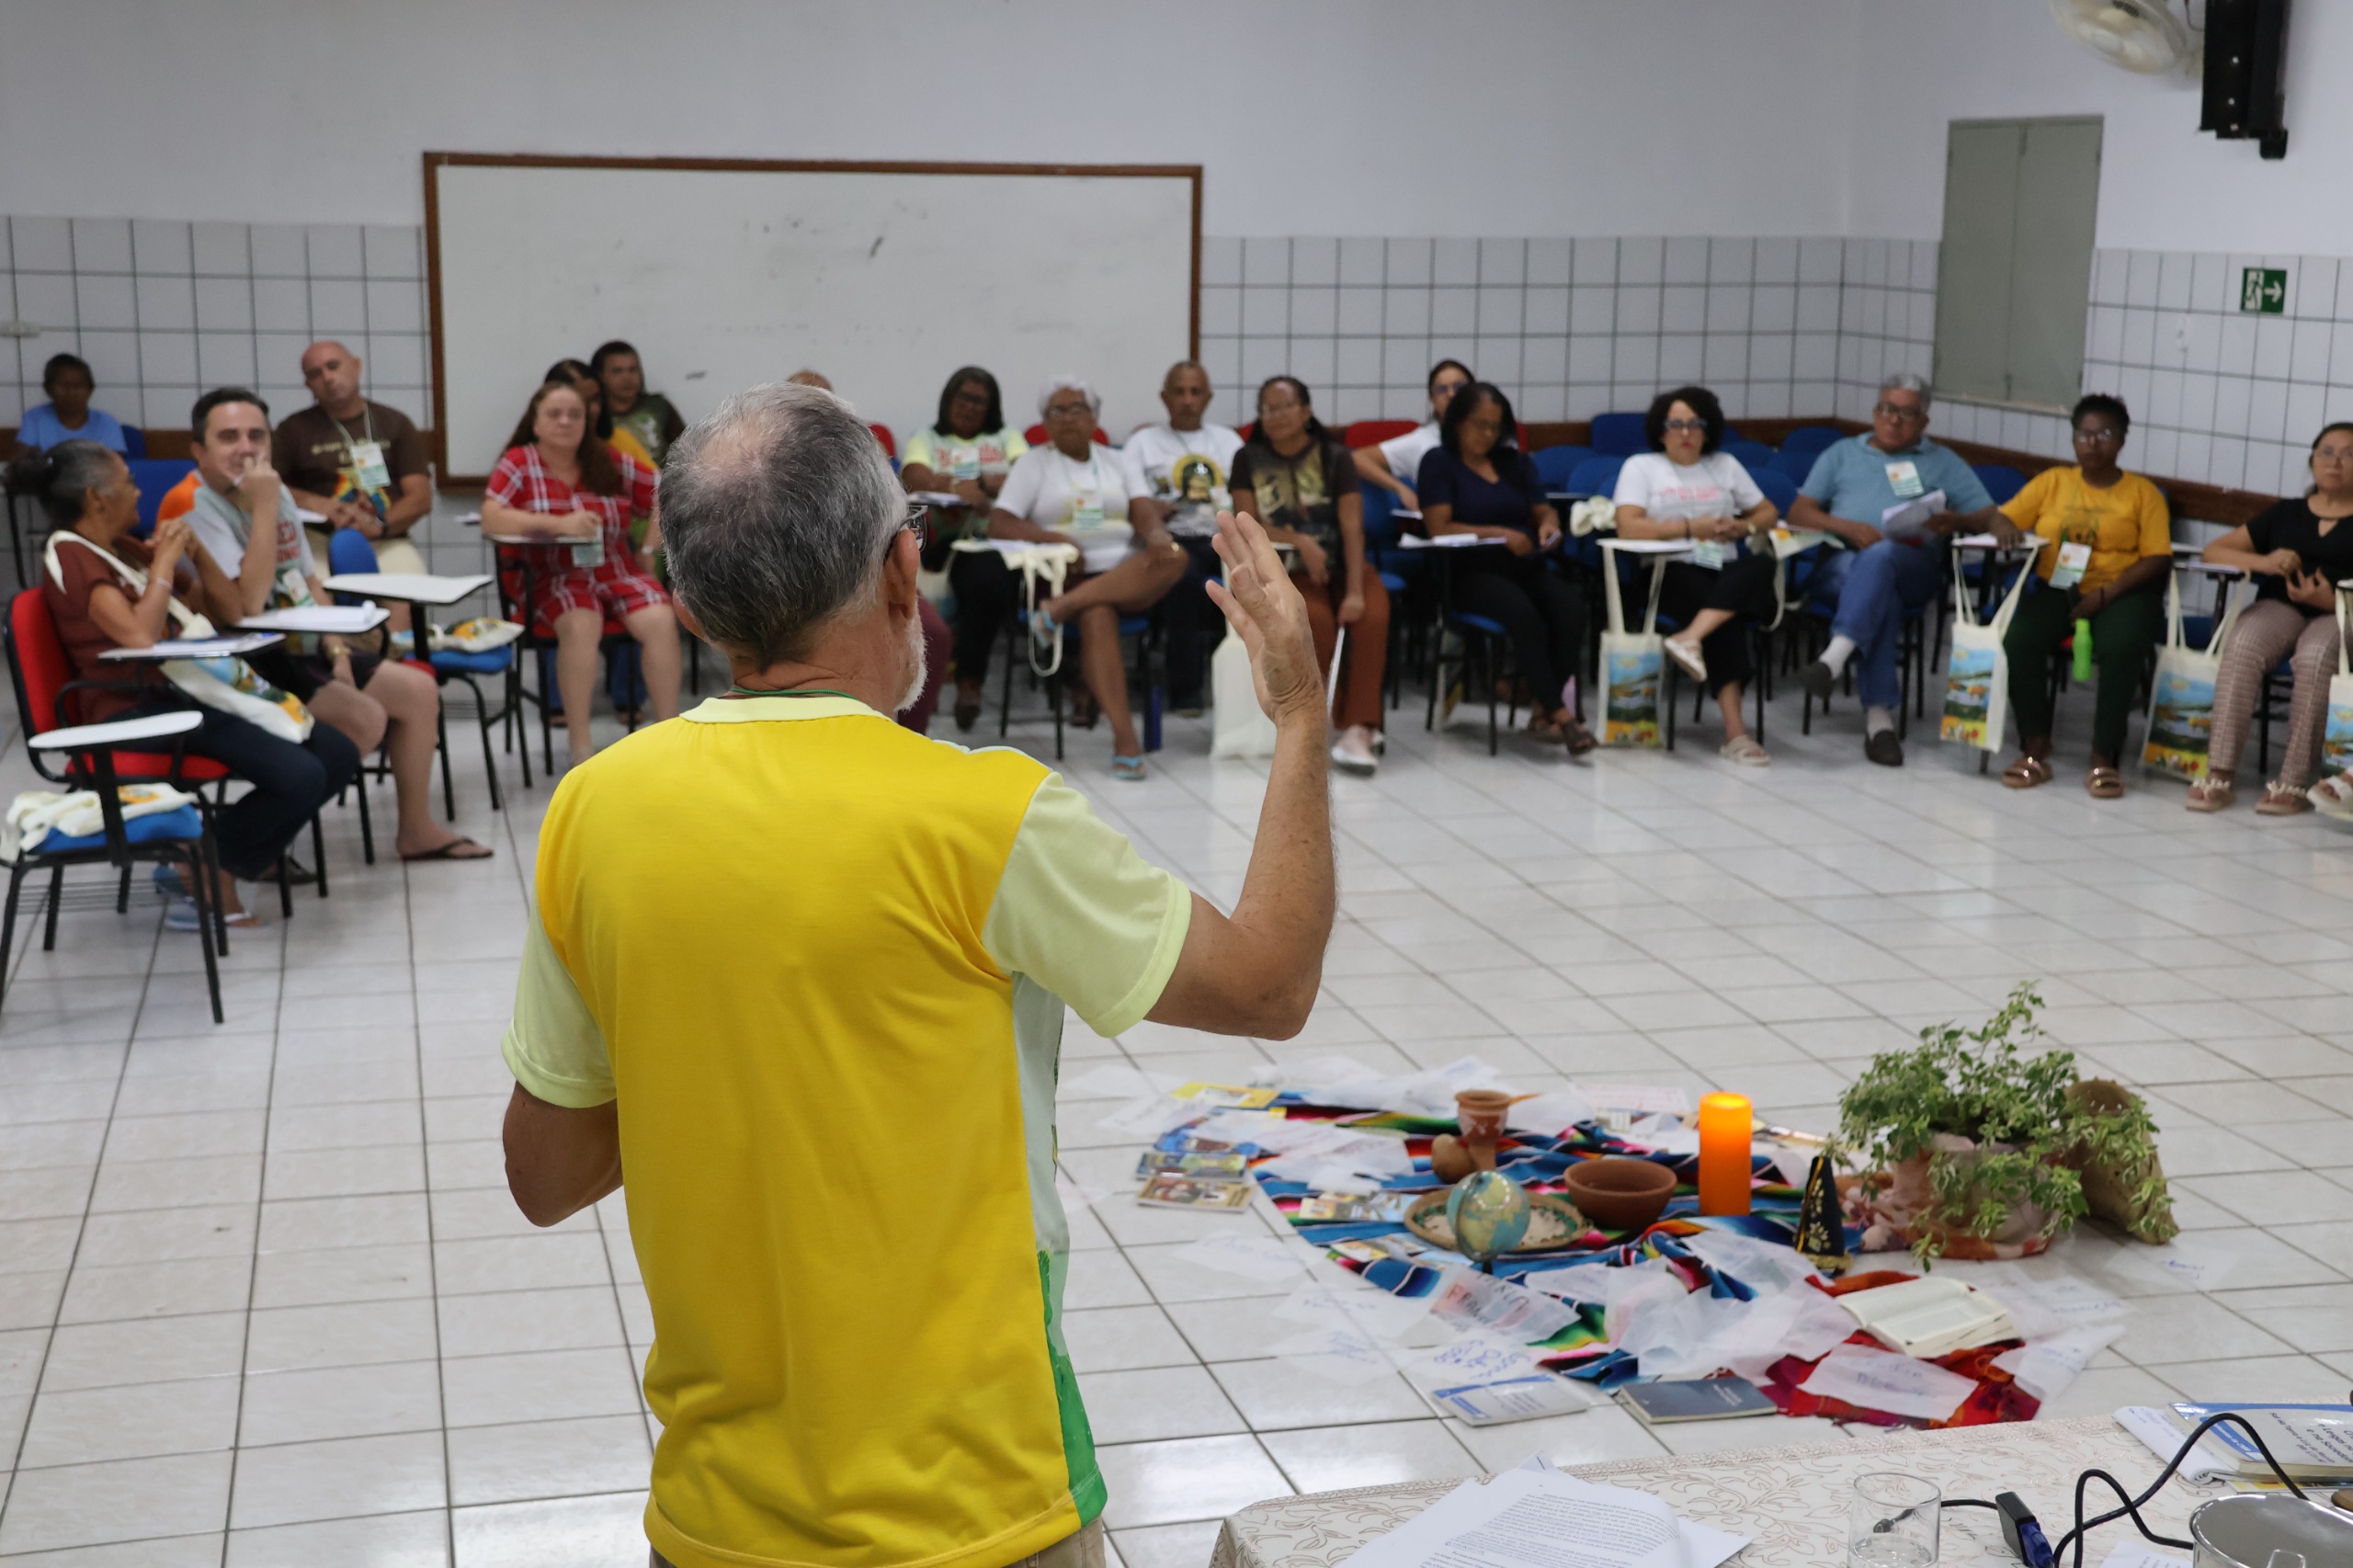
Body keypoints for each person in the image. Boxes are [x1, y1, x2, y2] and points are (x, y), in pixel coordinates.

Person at [496, 381, 1334, 1568]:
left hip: (714, 1517)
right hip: (978, 1507)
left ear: (688, 599)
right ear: (904, 570)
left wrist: (721, 1038)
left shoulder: (597, 810)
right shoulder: (981, 815)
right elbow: (1268, 987)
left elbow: (545, 1172)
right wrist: (1297, 709)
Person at [34, 440, 360, 929]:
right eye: (128, 482)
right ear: (96, 498)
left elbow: (218, 607)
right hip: (130, 707)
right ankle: (207, 872)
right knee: (299, 775)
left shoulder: (120, 547)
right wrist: (164, 565)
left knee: (336, 754)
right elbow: (139, 636)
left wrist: (196, 553)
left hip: (184, 689)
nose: (138, 491)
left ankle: (205, 861)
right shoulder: (72, 554)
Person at [184, 388, 487, 862]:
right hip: (248, 662)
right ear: (199, 451)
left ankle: (415, 829)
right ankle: (252, 845)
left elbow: (306, 579)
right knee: (362, 721)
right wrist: (264, 506)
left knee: (418, 691)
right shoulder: (194, 507)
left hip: (303, 647)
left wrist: (338, 649)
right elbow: (248, 603)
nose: (246, 448)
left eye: (256, 436)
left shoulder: (275, 493)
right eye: (228, 437)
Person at [1788, 374, 2000, 767]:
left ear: (1924, 422)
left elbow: (1988, 515)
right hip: (1840, 563)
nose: (1894, 420)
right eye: (1887, 409)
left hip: (1914, 565)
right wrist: (1846, 527)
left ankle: (1834, 657)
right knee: (1881, 593)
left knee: (1883, 557)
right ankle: (1878, 720)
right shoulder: (1842, 454)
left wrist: (1955, 520)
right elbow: (1799, 512)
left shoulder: (1943, 461)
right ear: (1874, 412)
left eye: (1906, 413)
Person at [990, 377, 1185, 779]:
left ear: (1095, 417)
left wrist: (1156, 537)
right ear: (1045, 421)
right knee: (1098, 614)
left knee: (1176, 556)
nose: (1067, 418)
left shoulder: (1118, 460)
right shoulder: (1033, 463)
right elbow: (1000, 522)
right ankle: (1125, 741)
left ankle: (1059, 611)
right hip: (1065, 572)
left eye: (1077, 409)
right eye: (1057, 411)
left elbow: (1143, 510)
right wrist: (1055, 538)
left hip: (1126, 572)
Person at [482, 378, 683, 767]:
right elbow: (492, 517)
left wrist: (647, 549)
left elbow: (665, 491)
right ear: (535, 422)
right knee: (581, 623)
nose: (565, 422)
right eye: (554, 414)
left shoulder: (605, 458)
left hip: (616, 568)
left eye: (575, 414)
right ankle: (581, 747)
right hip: (554, 574)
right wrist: (559, 525)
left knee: (660, 617)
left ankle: (669, 735)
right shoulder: (519, 462)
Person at [1991, 394, 2172, 797]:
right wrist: (2002, 525)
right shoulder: (2053, 481)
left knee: (2122, 647)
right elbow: (2003, 514)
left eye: (2103, 435)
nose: (2091, 443)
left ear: (2121, 440)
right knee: (2019, 639)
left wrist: (2107, 594)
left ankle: (2104, 754)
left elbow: (2157, 557)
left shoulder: (2143, 493)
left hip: (2123, 592)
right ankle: (2035, 745)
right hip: (2060, 586)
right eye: (2083, 435)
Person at [1610, 385, 1781, 766]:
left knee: (1761, 566)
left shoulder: (1725, 465)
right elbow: (1628, 526)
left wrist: (1743, 528)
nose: (1685, 433)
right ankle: (1736, 734)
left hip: (1722, 565)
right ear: (1661, 430)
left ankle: (1689, 637)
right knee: (1724, 613)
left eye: (1695, 424)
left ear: (1708, 430)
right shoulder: (1642, 467)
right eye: (1676, 425)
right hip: (1667, 569)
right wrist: (1690, 529)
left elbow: (1768, 512)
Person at [1421, 381, 1595, 753]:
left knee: (1571, 608)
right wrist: (1499, 534)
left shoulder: (1515, 463)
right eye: (1479, 424)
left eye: (1495, 427)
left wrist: (1549, 526)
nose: (1487, 434)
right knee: (1523, 613)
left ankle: (1542, 708)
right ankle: (1560, 715)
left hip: (1523, 565)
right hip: (1469, 572)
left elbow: (1543, 510)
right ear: (1458, 422)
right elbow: (1439, 526)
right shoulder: (1439, 462)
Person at [2192, 422, 2353, 814]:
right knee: (2243, 644)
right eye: (2326, 452)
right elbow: (2214, 551)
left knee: (2315, 655)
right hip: (2280, 606)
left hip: (2340, 614)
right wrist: (2265, 562)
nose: (2335, 462)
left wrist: (2331, 598)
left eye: (2349, 454)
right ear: (2312, 461)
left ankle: (2294, 781)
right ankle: (2220, 772)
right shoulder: (2286, 513)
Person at [1231, 376, 1386, 775]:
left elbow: (1352, 527)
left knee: (1372, 614)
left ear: (1306, 411)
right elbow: (1247, 522)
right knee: (1313, 620)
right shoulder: (1247, 459)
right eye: (1268, 408)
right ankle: (1319, 720)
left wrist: (1355, 591)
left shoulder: (1336, 457)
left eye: (1285, 406)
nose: (1276, 415)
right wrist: (1299, 541)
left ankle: (1360, 728)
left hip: (1345, 563)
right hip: (1287, 569)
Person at [901, 368, 1029, 731]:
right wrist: (958, 487)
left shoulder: (1005, 437)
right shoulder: (928, 438)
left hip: (994, 540)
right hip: (941, 539)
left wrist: (984, 487)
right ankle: (926, 680)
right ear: (948, 399)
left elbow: (1028, 474)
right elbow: (913, 476)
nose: (970, 406)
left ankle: (969, 682)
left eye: (979, 400)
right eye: (963, 397)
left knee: (987, 581)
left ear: (992, 406)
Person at [1123, 360, 1246, 715]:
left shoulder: (1229, 441)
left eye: (1196, 392)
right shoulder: (1143, 443)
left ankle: (1247, 688)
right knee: (1187, 583)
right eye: (1179, 392)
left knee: (1250, 579)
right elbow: (1134, 501)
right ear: (1165, 397)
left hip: (1224, 537)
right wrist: (1153, 516)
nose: (1188, 400)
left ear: (1208, 397)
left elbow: (1245, 498)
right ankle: (1187, 690)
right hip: (1172, 539)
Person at [272, 340, 434, 580]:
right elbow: (266, 487)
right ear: (308, 384)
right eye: (315, 374)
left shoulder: (395, 423)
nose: (327, 378)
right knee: (314, 592)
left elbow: (420, 497)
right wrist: (316, 503)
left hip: (387, 538)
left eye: (333, 366)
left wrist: (379, 526)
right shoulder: (292, 430)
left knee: (411, 587)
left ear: (356, 366)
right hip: (320, 540)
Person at [1353, 359, 1472, 509]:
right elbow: (1355, 459)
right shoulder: (1422, 440)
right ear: (1432, 399)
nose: (1451, 394)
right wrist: (1399, 488)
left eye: (1459, 387)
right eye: (1442, 389)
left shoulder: (1492, 435)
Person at [547, 358, 656, 469]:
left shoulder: (620, 441)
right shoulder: (541, 453)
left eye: (596, 398)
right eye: (584, 401)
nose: (595, 409)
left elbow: (655, 478)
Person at [591, 340, 687, 466]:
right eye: (617, 371)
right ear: (600, 376)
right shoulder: (594, 413)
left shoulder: (658, 408)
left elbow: (687, 452)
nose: (627, 378)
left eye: (633, 370)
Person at [13, 354, 130, 456]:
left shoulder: (106, 423)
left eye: (78, 386)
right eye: (63, 385)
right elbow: (24, 464)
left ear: (90, 389)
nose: (71, 392)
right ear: (48, 389)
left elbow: (114, 467)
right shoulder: (35, 418)